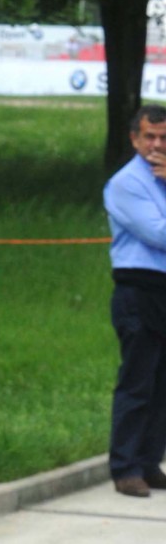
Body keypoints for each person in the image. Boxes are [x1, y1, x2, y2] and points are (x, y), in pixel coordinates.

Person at [103, 103, 166, 498]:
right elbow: (159, 234)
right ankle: (125, 468)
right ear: (134, 138)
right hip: (138, 289)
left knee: (162, 384)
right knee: (138, 381)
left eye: (163, 138)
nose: (156, 145)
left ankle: (148, 462)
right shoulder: (126, 183)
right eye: (149, 137)